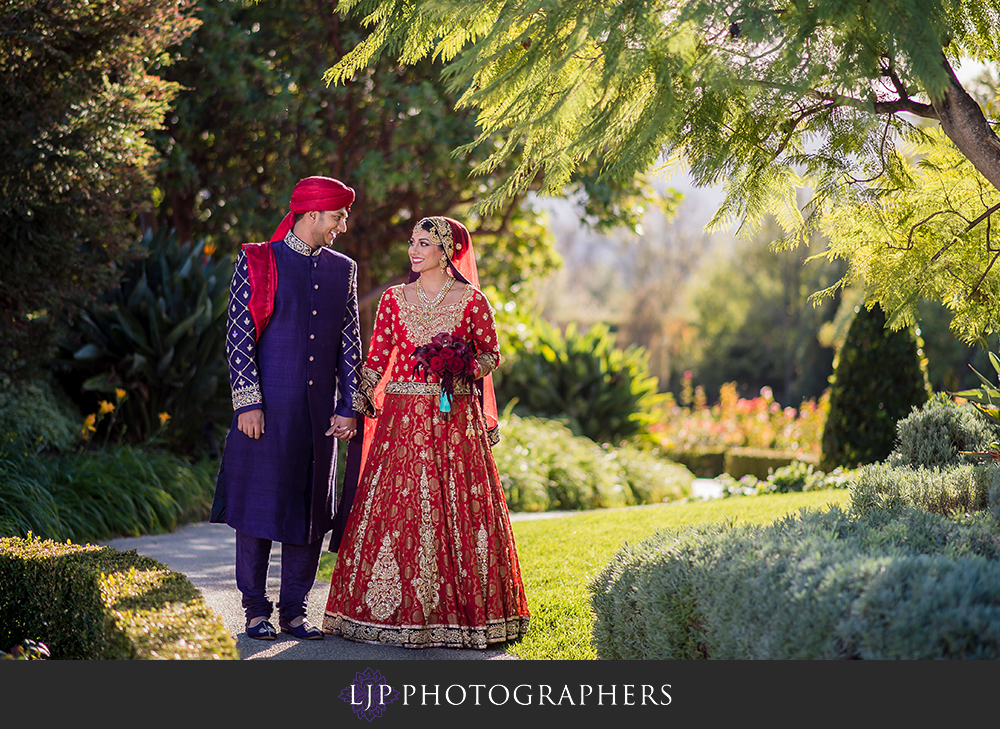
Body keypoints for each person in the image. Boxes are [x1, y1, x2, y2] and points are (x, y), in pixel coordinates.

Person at [321, 215, 531, 649]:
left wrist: (461, 365)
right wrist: (352, 406)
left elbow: (491, 354)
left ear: (446, 252)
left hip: (455, 418)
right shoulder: (395, 300)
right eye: (411, 243)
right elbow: (376, 359)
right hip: (401, 422)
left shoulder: (472, 300)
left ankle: (464, 617)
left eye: (423, 244)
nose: (414, 251)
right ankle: (386, 615)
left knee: (457, 505)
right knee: (399, 507)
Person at [210, 176, 364, 641]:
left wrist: (349, 406)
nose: (341, 226)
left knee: (311, 511)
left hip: (320, 417)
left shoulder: (344, 269)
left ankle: (295, 611)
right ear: (312, 214)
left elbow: (350, 342)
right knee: (258, 512)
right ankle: (255, 611)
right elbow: (238, 337)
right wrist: (248, 403)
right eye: (337, 217)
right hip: (267, 412)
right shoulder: (260, 260)